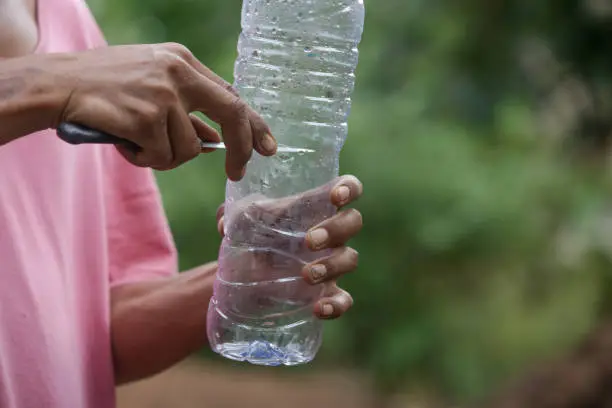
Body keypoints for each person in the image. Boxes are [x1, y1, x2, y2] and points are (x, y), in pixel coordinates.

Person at [0, 0, 364, 407]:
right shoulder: (74, 72)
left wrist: (249, 273)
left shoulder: (65, 19)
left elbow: (86, 336)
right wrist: (53, 85)